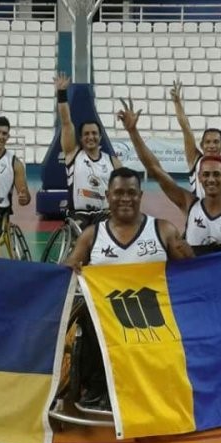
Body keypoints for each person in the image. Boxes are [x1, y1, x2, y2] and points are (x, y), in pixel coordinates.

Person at [63, 166, 194, 410]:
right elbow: (66, 270)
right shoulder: (92, 235)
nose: (125, 198)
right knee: (88, 319)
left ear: (141, 196)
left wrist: (188, 254)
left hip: (154, 316)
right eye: (119, 193)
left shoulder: (163, 230)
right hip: (107, 318)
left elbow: (190, 275)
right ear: (108, 195)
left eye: (132, 193)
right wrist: (72, 268)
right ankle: (99, 387)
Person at [117, 98, 221, 255]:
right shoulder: (189, 204)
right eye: (206, 174)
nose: (211, 179)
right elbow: (155, 169)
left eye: (216, 174)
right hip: (196, 266)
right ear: (199, 177)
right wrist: (133, 132)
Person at [56, 73, 121, 225]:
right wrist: (62, 93)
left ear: (100, 137)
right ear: (80, 138)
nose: (90, 137)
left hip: (104, 215)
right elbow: (66, 122)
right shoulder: (73, 154)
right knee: (82, 235)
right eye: (86, 134)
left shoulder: (112, 161)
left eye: (94, 133)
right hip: (79, 215)